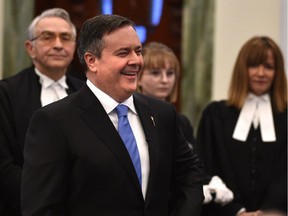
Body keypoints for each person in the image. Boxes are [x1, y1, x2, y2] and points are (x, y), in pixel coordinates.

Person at [21, 14, 204, 216]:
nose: (136, 61)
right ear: (92, 61)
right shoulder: (55, 121)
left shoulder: (162, 113)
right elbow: (41, 207)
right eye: (123, 53)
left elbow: (189, 174)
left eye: (138, 51)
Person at [0, 8, 84, 216]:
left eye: (65, 38)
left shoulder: (88, 94)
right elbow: (3, 163)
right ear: (30, 48)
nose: (58, 45)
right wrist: (43, 198)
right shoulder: (6, 93)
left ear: (75, 47)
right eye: (47, 37)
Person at [196, 36, 287, 216]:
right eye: (254, 66)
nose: (261, 73)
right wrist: (237, 211)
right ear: (241, 70)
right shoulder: (214, 115)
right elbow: (205, 168)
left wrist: (268, 211)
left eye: (269, 67)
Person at [137, 41, 195, 146]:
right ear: (138, 78)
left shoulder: (182, 122)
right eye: (155, 73)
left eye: (170, 73)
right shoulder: (130, 118)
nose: (164, 80)